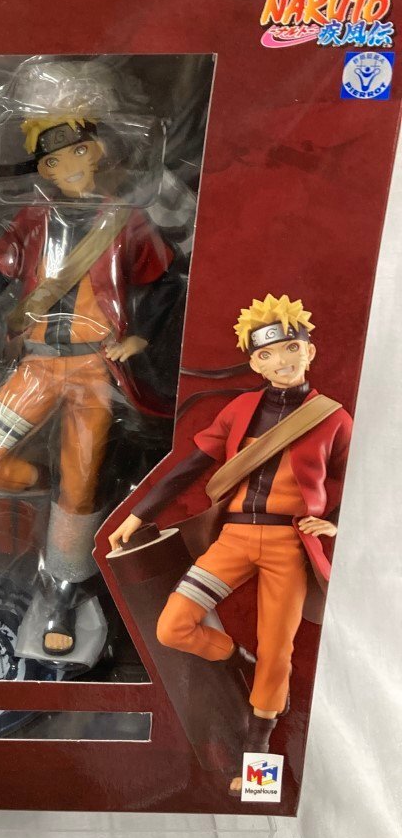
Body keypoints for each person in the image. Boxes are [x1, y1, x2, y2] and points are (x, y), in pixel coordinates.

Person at [0, 60, 181, 666]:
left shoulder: (126, 220)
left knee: (81, 488)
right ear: (44, 170)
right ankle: (63, 492)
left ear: (97, 151)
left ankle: (62, 592)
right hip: (36, 367)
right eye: (53, 161)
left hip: (95, 373)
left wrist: (141, 340)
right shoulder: (34, 219)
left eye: (77, 151)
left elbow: (164, 286)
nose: (68, 167)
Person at [109, 294, 352, 794]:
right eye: (267, 353)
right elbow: (191, 466)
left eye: (291, 348)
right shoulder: (240, 410)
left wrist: (336, 525)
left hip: (289, 542)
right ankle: (239, 659)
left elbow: (364, 481)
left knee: (278, 653)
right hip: (234, 537)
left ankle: (257, 762)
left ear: (309, 351)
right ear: (254, 363)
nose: (281, 360)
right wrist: (138, 513)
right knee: (173, 627)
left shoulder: (333, 418)